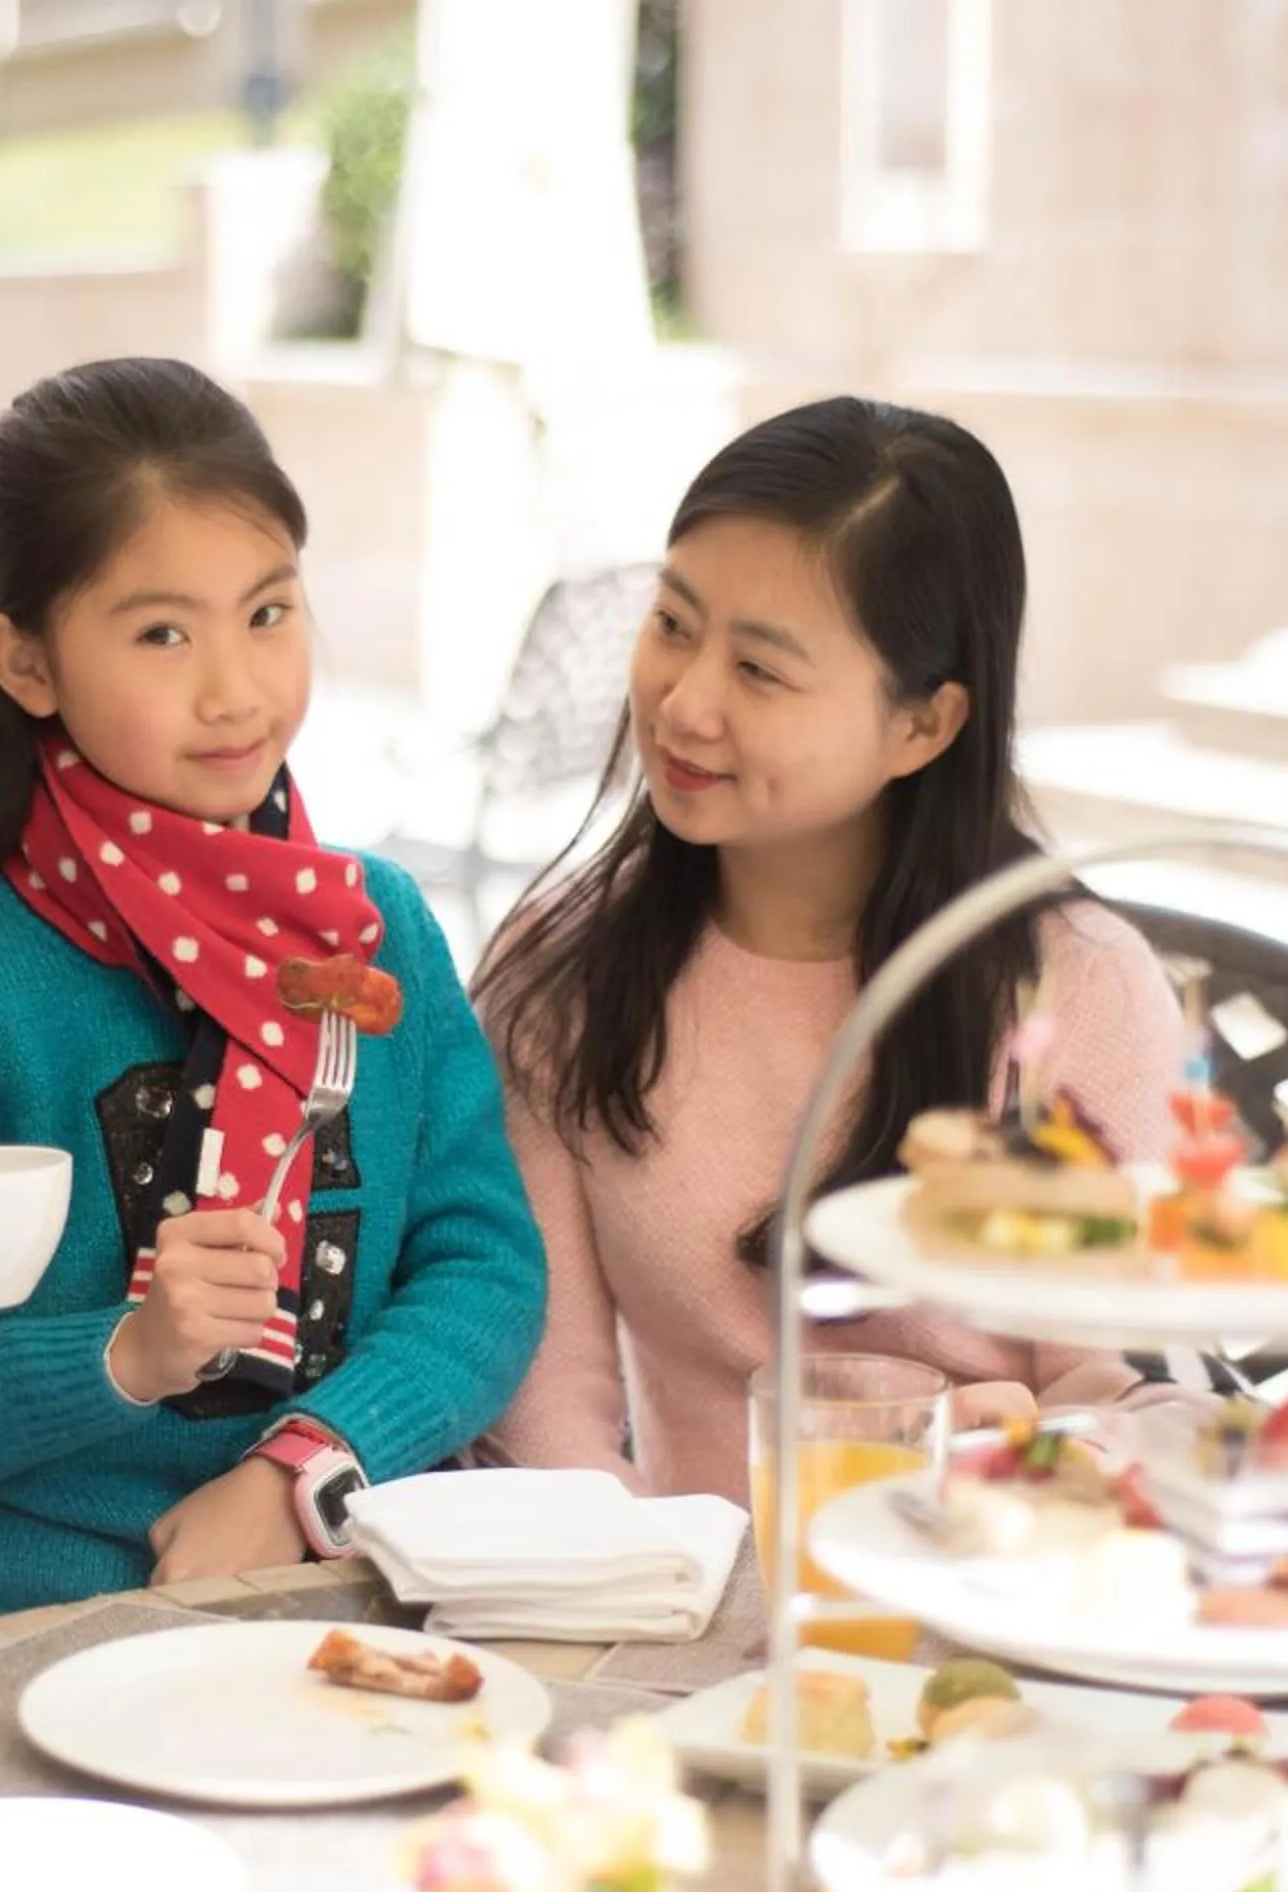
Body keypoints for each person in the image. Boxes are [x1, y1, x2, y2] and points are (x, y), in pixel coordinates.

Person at [0, 356, 545, 1630]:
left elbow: (484, 1267)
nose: (235, 690)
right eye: (161, 634)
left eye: (267, 613)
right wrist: (121, 1356)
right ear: (26, 663)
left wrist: (299, 1465)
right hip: (33, 1630)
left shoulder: (381, 934)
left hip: (337, 1592)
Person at [475, 397, 1188, 1503]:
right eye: (673, 624)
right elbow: (545, 1397)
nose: (686, 702)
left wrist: (1036, 1448)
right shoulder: (564, 970)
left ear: (924, 724)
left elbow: (1126, 1389)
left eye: (760, 670)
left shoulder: (1075, 986)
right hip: (684, 1611)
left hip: (988, 1597)